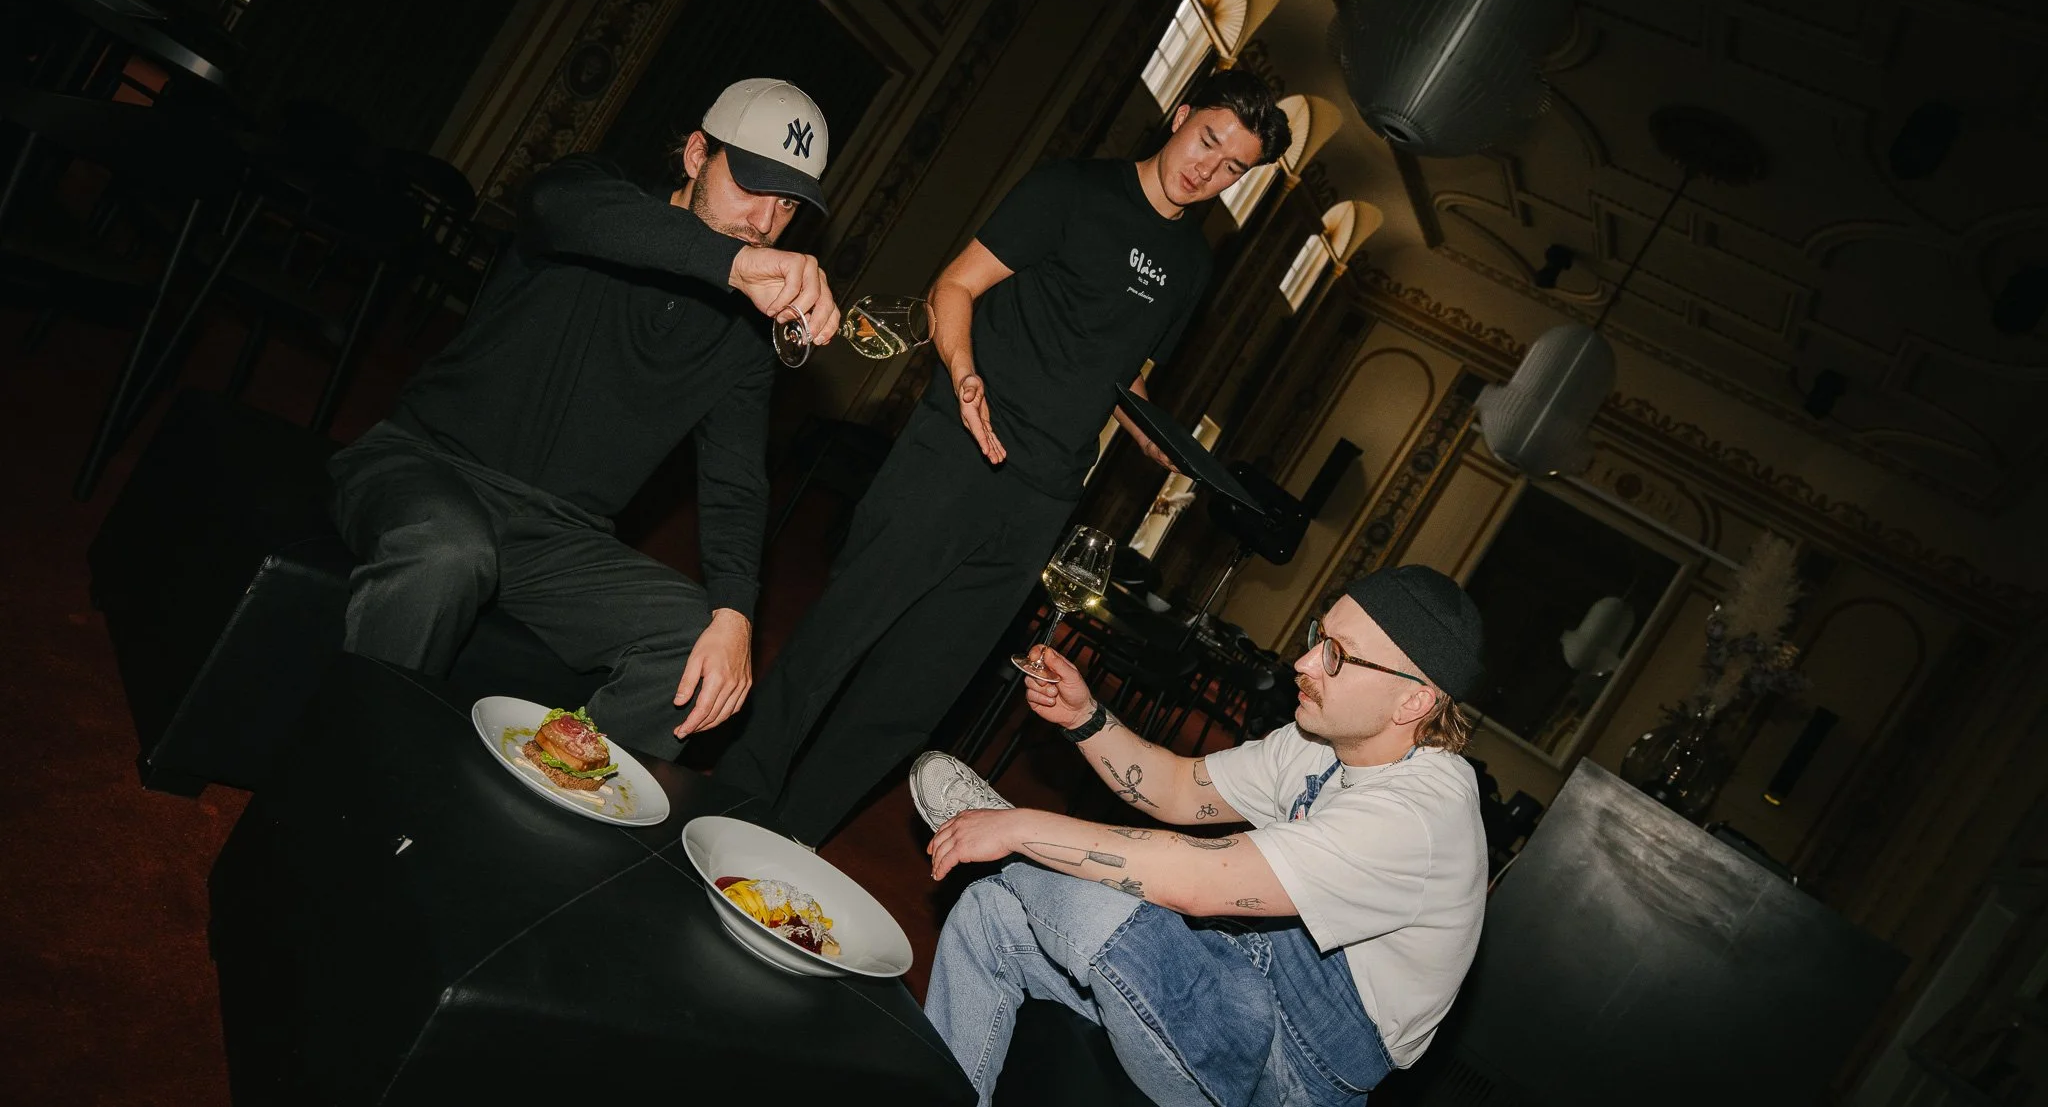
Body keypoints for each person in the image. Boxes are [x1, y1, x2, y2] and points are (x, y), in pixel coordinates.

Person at [713, 69, 1291, 845]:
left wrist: (1161, 440)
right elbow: (953, 285)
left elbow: (1134, 375)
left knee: (913, 695)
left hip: (1044, 498)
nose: (1207, 168)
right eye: (1208, 140)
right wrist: (963, 372)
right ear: (1182, 114)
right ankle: (729, 804)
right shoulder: (1072, 189)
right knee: (839, 637)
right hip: (956, 450)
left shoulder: (1191, 268)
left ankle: (789, 838)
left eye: (1231, 168)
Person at [328, 78, 841, 757]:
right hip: (424, 465)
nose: (764, 221)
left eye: (786, 206)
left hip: (557, 537)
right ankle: (347, 768)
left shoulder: (747, 336)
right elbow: (556, 204)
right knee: (450, 552)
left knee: (694, 641)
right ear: (695, 154)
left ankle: (543, 801)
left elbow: (737, 481)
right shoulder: (594, 198)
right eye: (750, 184)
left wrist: (735, 612)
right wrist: (733, 263)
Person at [910, 564, 1489, 1105]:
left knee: (1094, 911)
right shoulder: (1321, 741)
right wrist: (1085, 718)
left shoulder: (1420, 817)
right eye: (1319, 635)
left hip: (1294, 1071)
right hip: (1230, 977)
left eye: (1338, 656)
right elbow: (1181, 790)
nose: (1305, 662)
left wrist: (1021, 828)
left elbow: (1199, 883)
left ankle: (1026, 857)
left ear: (1414, 700)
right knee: (990, 915)